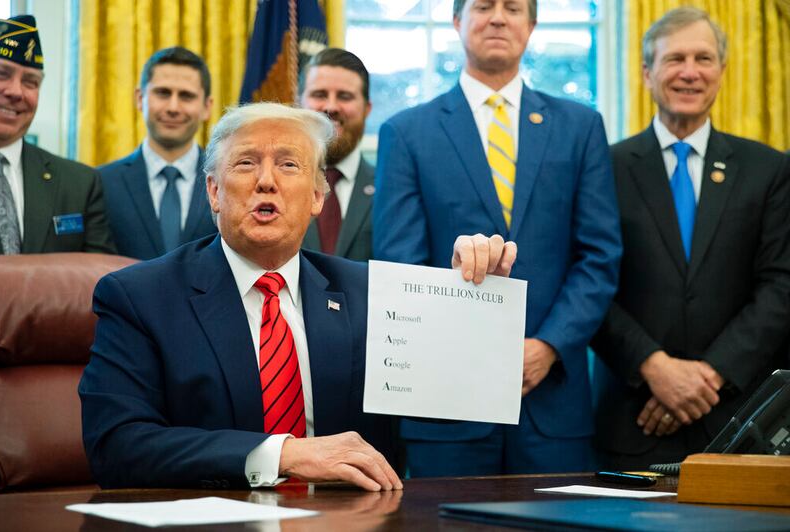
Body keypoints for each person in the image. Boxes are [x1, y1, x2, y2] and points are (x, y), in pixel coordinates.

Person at [79, 102, 517, 491]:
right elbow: (117, 446)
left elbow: (456, 401)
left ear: (316, 197)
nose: (266, 181)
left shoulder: (368, 293)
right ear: (214, 191)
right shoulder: (140, 297)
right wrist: (283, 454)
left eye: (289, 165)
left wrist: (477, 299)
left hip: (348, 523)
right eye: (246, 163)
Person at [373, 0, 621, 476]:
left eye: (513, 7)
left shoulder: (580, 127)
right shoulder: (406, 132)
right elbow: (399, 261)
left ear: (531, 25)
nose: (498, 17)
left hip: (552, 400)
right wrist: (478, 349)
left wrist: (548, 345)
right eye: (483, 6)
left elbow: (599, 255)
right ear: (456, 22)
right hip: (448, 404)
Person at [591, 7, 790, 469]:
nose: (689, 72)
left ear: (721, 71)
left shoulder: (769, 169)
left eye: (703, 59)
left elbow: (780, 286)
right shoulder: (603, 166)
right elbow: (588, 279)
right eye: (674, 58)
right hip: (632, 415)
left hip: (738, 418)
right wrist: (655, 368)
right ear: (647, 72)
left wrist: (707, 377)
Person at [0, 15, 115, 255]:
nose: (16, 92)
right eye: (1, 74)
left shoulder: (79, 184)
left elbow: (98, 278)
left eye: (30, 82)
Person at [98, 47, 217, 260]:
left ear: (207, 107)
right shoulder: (101, 183)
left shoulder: (226, 182)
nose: (173, 107)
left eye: (186, 96)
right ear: (140, 98)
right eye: (163, 93)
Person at [298, 48, 374, 261]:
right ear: (299, 103)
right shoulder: (274, 186)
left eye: (345, 96)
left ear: (367, 109)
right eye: (319, 95)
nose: (331, 106)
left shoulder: (389, 187)